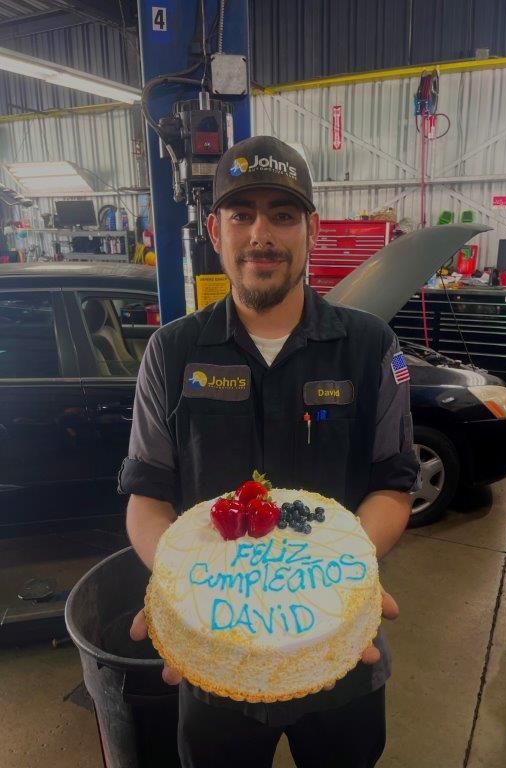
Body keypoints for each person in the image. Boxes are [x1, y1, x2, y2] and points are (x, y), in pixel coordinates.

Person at [120, 135, 420, 768]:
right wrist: (176, 596)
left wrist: (349, 581)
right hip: (217, 666)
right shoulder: (170, 354)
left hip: (341, 663)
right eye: (242, 213)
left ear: (310, 229)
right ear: (215, 229)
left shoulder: (372, 348)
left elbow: (393, 486)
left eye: (282, 214)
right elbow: (148, 496)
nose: (261, 233)